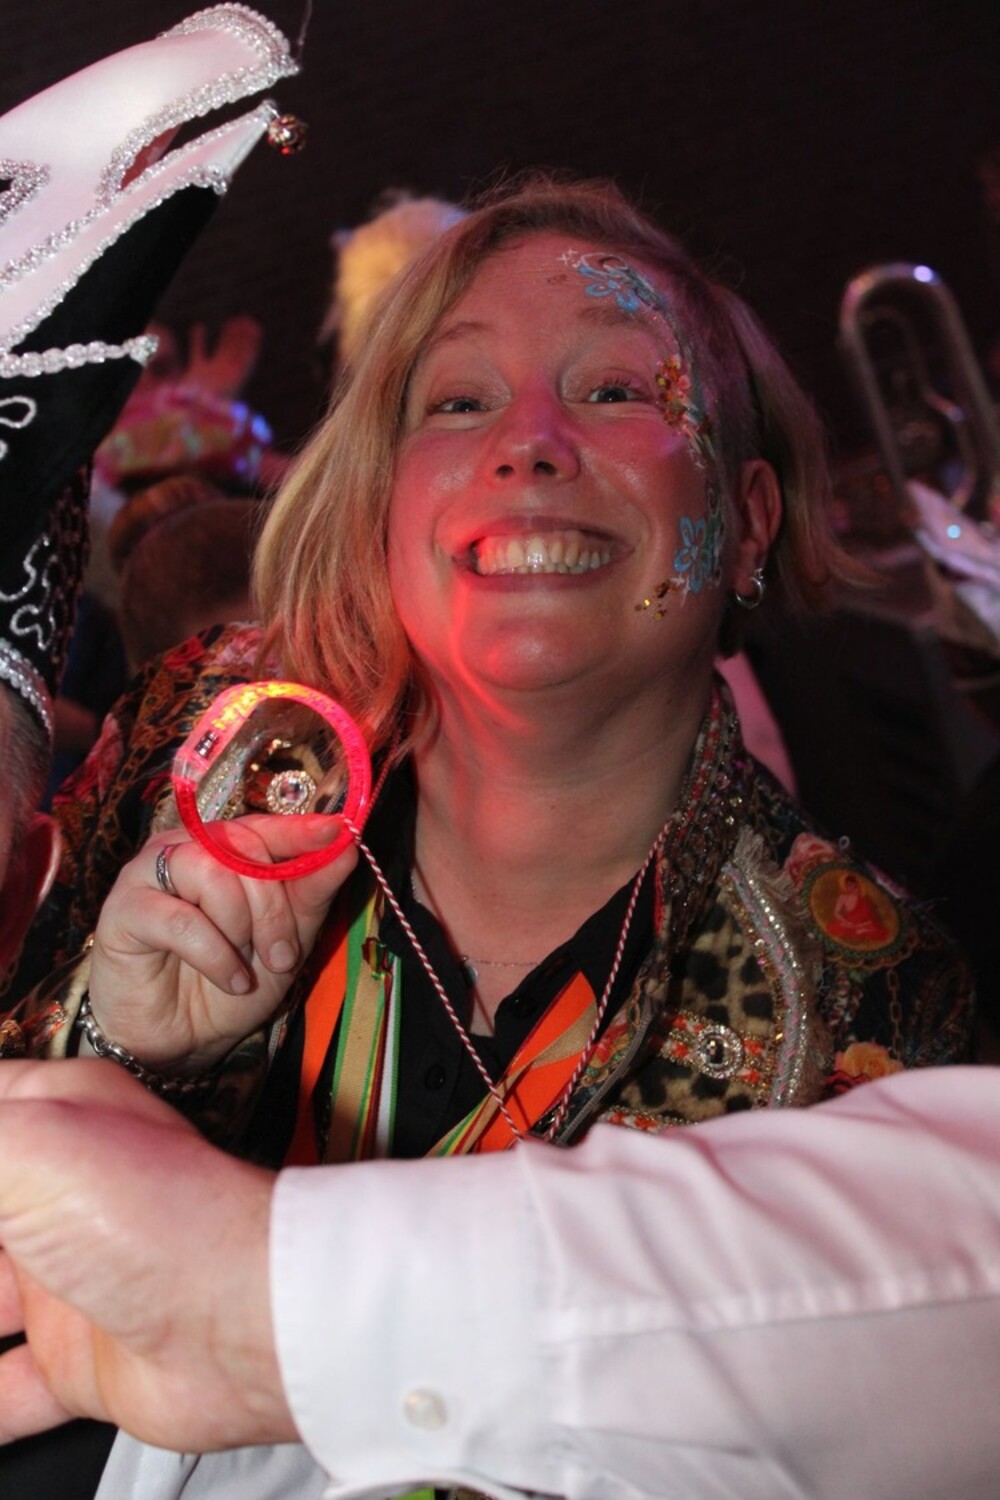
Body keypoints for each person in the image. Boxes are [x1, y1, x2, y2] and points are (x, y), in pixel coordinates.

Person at [3, 177, 975, 1495]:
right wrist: (136, 1053)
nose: (528, 445)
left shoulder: (869, 996)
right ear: (384, 504)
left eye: (616, 391)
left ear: (748, 520)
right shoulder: (216, 747)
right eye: (458, 402)